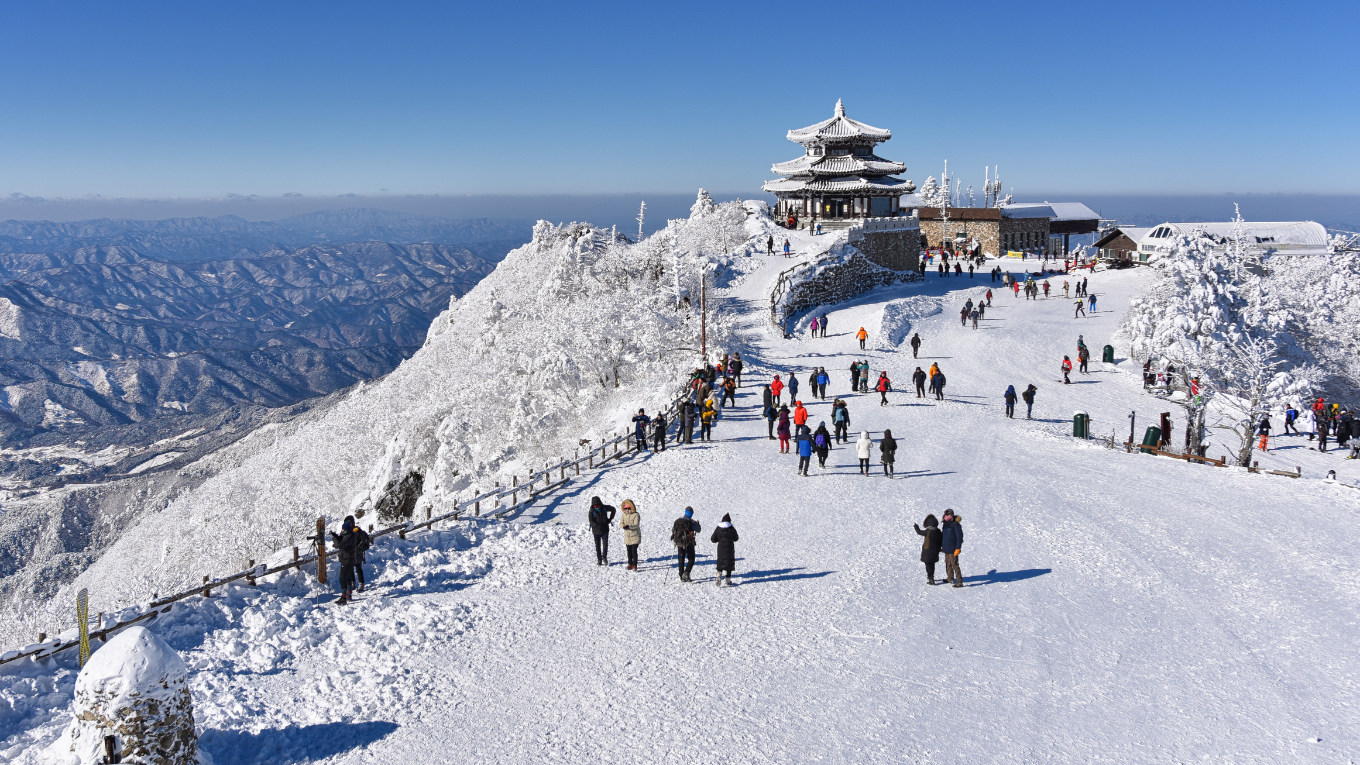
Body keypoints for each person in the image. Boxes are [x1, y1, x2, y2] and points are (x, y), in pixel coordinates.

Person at [330, 515, 361, 605]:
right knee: (347, 577)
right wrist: (335, 535)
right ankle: (348, 594)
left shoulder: (349, 537)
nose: (342, 531)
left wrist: (334, 538)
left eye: (343, 529)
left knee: (342, 578)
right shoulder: (349, 535)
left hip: (347, 560)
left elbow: (340, 545)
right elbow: (342, 539)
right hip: (349, 560)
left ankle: (343, 597)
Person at [671, 507, 700, 582]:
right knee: (691, 559)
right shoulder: (691, 522)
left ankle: (681, 575)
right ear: (691, 514)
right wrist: (697, 524)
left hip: (679, 543)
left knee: (681, 560)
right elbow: (699, 530)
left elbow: (673, 530)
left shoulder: (678, 521)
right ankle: (686, 572)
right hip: (689, 543)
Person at [711, 513, 739, 587]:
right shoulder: (732, 529)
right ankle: (728, 580)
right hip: (730, 549)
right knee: (729, 564)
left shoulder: (718, 528)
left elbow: (713, 539)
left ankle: (719, 574)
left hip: (721, 550)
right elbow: (736, 538)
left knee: (720, 563)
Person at [913, 514, 943, 585]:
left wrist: (916, 527)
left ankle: (930, 578)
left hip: (927, 551)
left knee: (928, 565)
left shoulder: (928, 531)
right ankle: (931, 577)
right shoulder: (938, 531)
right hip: (935, 551)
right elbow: (941, 540)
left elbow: (919, 532)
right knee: (932, 565)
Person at [588, 496, 616, 566]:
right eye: (595, 505)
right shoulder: (591, 511)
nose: (596, 507)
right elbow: (591, 521)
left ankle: (604, 557)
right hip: (596, 531)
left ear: (600, 503)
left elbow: (613, 509)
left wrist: (610, 519)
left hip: (605, 530)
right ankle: (599, 559)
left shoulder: (604, 508)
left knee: (605, 545)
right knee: (597, 546)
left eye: (598, 505)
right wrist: (598, 526)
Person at [940, 510, 963, 587]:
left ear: (952, 516)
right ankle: (950, 578)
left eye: (949, 515)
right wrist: (941, 545)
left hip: (953, 548)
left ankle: (959, 581)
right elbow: (943, 536)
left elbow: (959, 537)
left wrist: (958, 548)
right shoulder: (945, 525)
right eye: (946, 515)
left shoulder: (955, 525)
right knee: (948, 564)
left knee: (955, 565)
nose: (947, 516)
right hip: (946, 548)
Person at [620, 499, 641, 571]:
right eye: (626, 508)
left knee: (633, 551)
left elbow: (636, 525)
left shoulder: (636, 515)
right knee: (628, 551)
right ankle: (630, 564)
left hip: (635, 536)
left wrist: (629, 526)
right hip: (627, 537)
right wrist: (623, 526)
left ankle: (635, 565)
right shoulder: (624, 515)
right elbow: (621, 523)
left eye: (629, 508)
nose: (627, 510)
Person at [353, 522, 371, 593]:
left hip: (357, 552)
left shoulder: (356, 530)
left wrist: (358, 547)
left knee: (357, 568)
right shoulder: (352, 530)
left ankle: (359, 583)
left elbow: (363, 540)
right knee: (356, 568)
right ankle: (357, 583)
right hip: (354, 552)